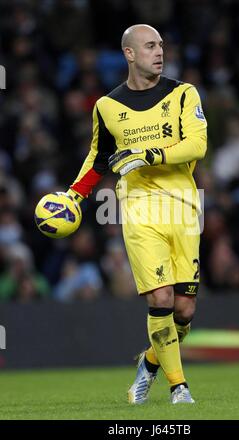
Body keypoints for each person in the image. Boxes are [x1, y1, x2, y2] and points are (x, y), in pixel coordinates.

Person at [66, 24, 207, 404]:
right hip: (139, 208)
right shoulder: (107, 106)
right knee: (160, 297)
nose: (159, 52)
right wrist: (74, 196)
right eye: (149, 46)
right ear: (129, 54)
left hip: (183, 206)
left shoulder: (182, 93)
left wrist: (150, 154)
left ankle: (149, 361)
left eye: (161, 45)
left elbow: (197, 144)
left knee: (184, 308)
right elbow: (97, 160)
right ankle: (180, 388)